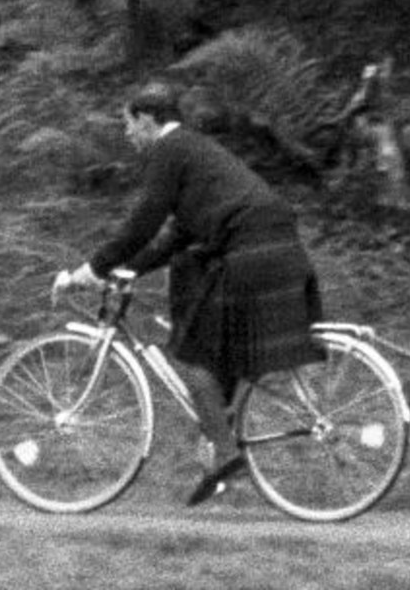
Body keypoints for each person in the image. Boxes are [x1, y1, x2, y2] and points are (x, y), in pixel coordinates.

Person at [53, 81, 325, 506]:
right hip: (275, 244)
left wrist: (93, 268)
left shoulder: (169, 150)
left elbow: (144, 221)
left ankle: (227, 454)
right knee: (221, 358)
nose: (126, 134)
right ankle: (221, 451)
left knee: (193, 354)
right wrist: (128, 269)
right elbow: (176, 234)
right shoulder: (196, 151)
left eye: (127, 124)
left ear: (146, 119)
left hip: (247, 252)